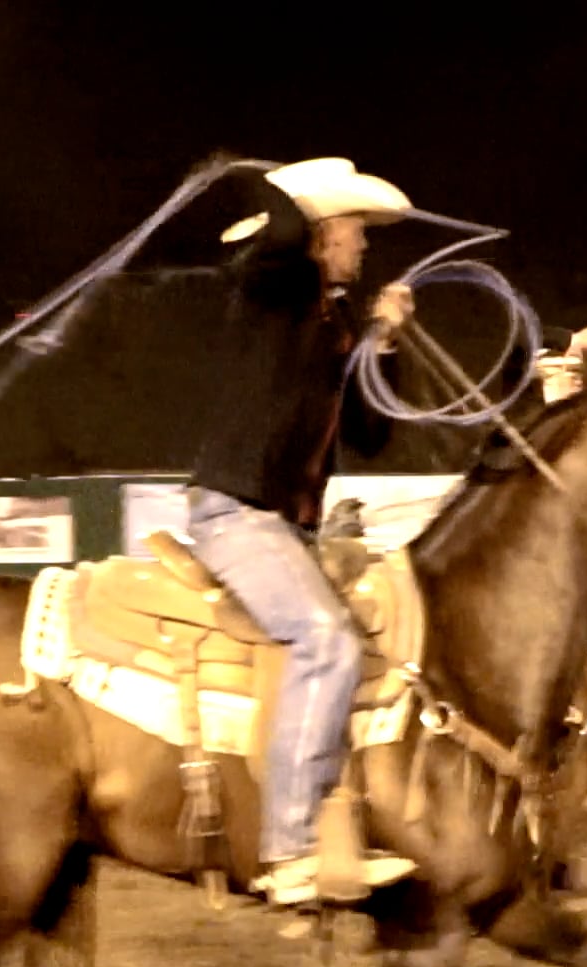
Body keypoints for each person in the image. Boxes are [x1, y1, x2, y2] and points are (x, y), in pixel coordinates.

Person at [172, 157, 421, 905]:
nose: (366, 246)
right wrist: (248, 173)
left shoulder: (333, 324)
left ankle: (347, 823)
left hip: (285, 524)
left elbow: (372, 433)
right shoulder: (272, 285)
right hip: (237, 513)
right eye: (355, 231)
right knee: (325, 639)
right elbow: (279, 228)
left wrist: (383, 341)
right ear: (322, 232)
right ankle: (288, 848)